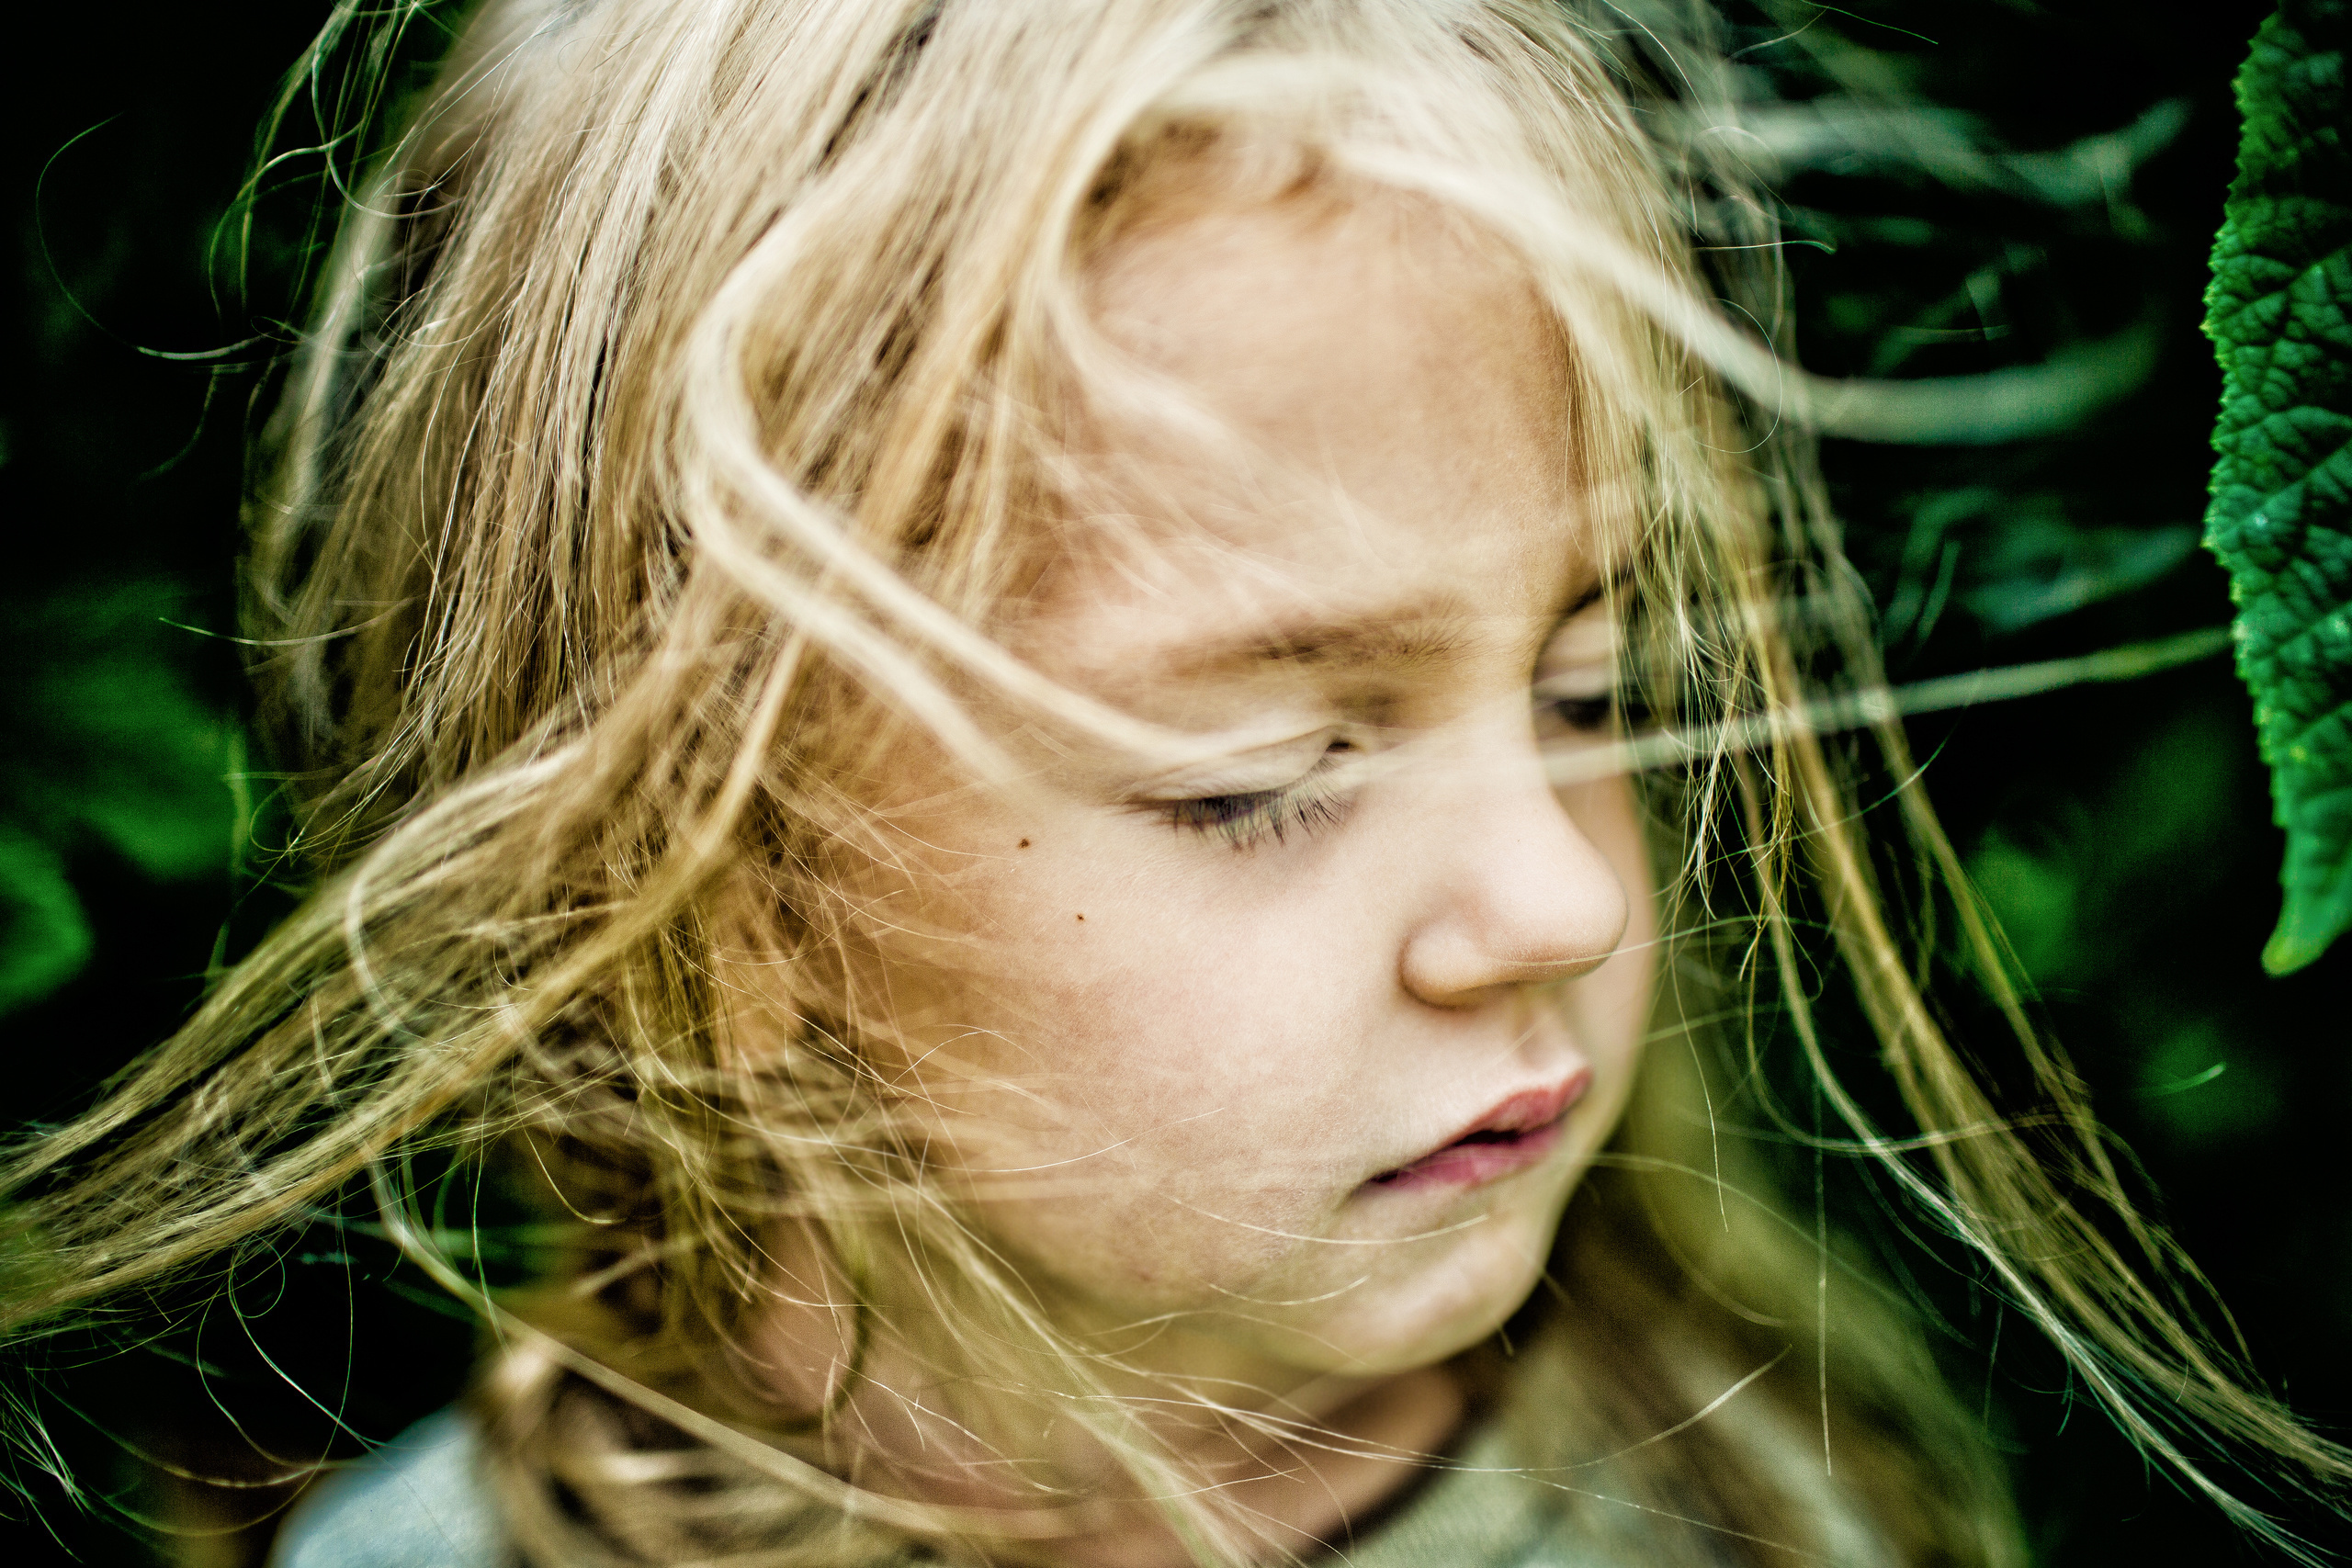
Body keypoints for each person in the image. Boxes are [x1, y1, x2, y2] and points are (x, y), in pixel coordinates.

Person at [4, 2, 2344, 1564]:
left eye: (1597, 683)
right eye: (1258, 774)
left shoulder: (1765, 1488)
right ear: (695, 910)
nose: (1548, 894)